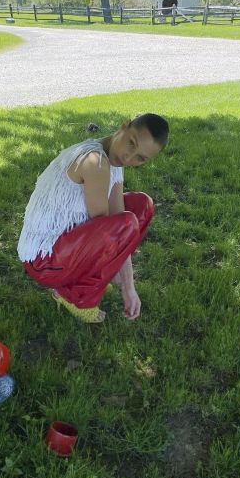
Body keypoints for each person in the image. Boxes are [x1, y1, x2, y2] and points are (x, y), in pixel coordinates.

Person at [17, 113, 169, 323]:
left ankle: (93, 277)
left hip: (64, 244)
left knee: (142, 206)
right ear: (124, 126)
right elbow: (113, 234)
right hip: (43, 260)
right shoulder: (95, 162)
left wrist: (128, 285)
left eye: (140, 158)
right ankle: (75, 297)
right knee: (125, 224)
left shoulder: (112, 161)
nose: (128, 157)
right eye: (131, 143)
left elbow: (119, 221)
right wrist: (126, 286)